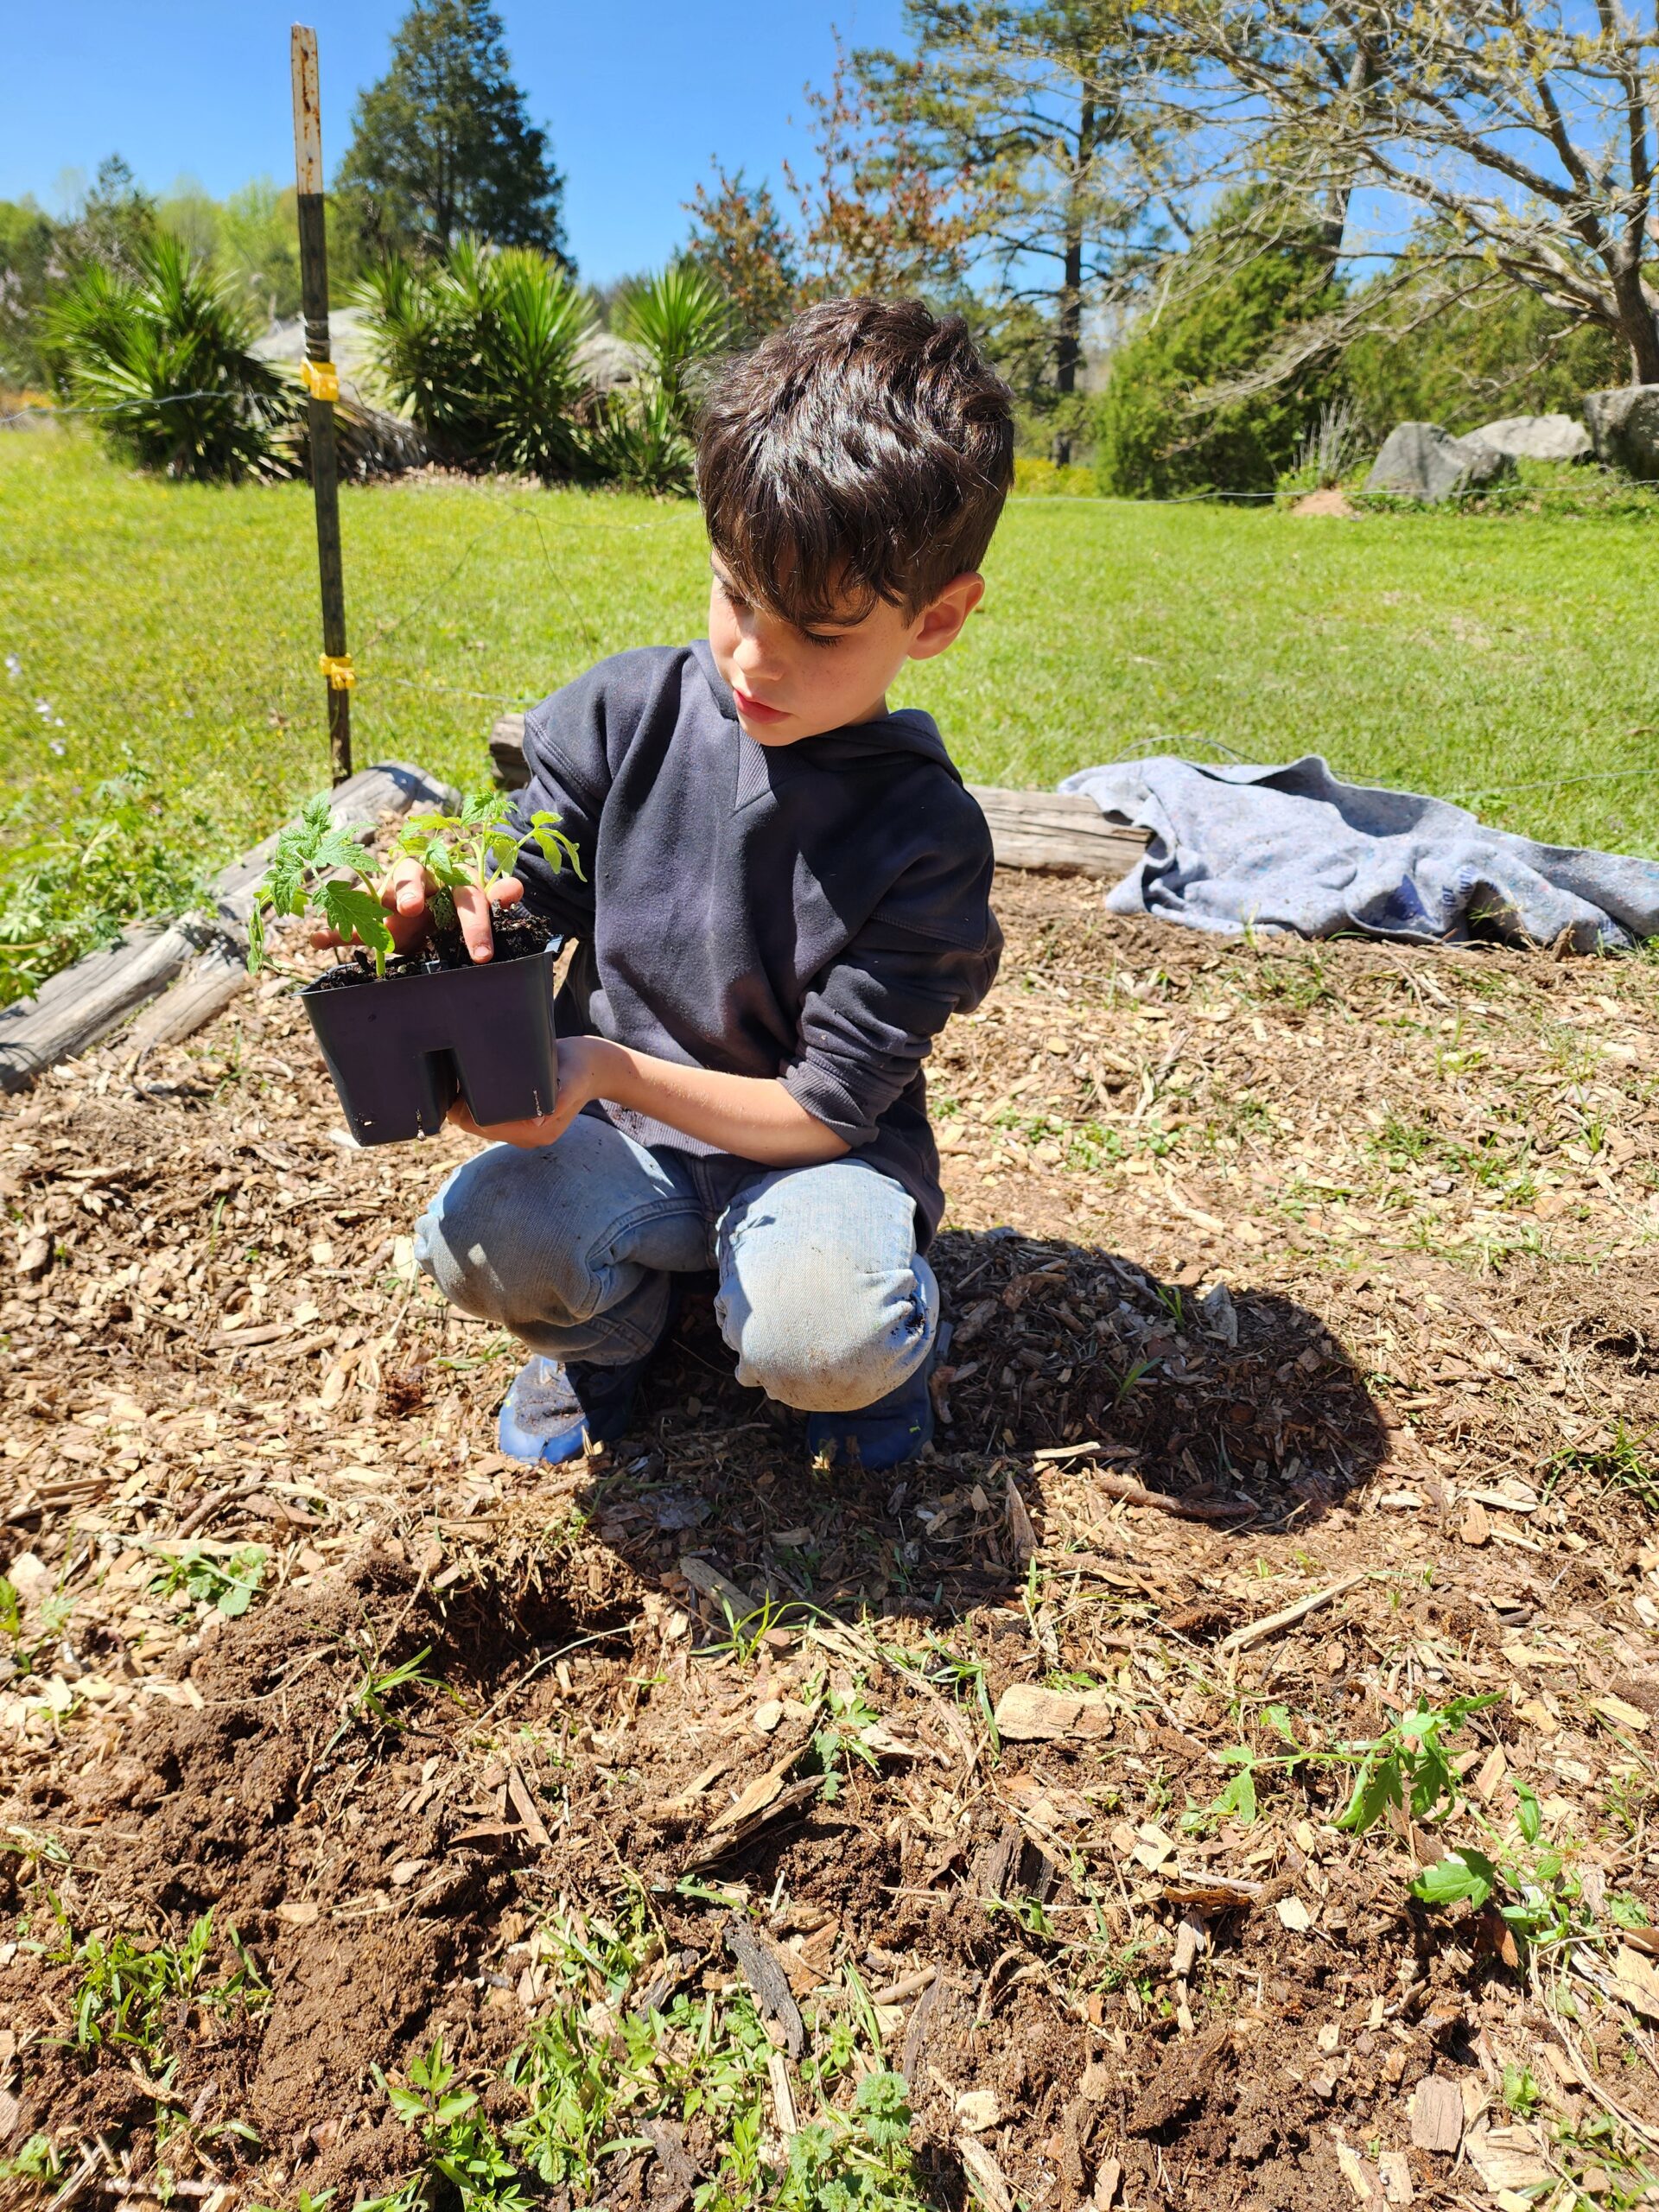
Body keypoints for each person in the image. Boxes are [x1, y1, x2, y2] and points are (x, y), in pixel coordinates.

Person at [399, 296, 1010, 1469]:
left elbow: (829, 1107)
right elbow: (526, 886)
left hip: (812, 1162)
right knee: (480, 1238)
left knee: (824, 1336)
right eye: (736, 592)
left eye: (820, 633)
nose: (751, 658)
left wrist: (603, 1068)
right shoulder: (627, 715)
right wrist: (452, 923)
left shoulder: (924, 838)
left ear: (935, 619)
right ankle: (612, 1335)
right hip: (616, 1137)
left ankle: (871, 1357)